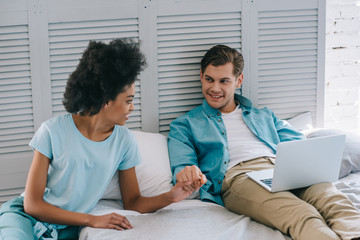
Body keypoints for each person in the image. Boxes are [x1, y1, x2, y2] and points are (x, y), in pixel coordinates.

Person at [0, 39, 192, 240]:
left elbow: (133, 202)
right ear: (106, 100)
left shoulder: (124, 141)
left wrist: (171, 196)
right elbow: (32, 204)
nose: (132, 108)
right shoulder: (52, 131)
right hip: (25, 218)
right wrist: (91, 220)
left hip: (67, 228)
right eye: (128, 101)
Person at [168, 44, 360, 240]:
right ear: (201, 76)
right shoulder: (184, 125)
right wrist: (187, 172)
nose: (215, 88)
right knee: (301, 214)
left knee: (336, 202)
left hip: (286, 169)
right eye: (209, 79)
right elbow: (181, 168)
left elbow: (300, 145)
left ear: (239, 80)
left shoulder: (264, 115)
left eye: (224, 81)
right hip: (240, 177)